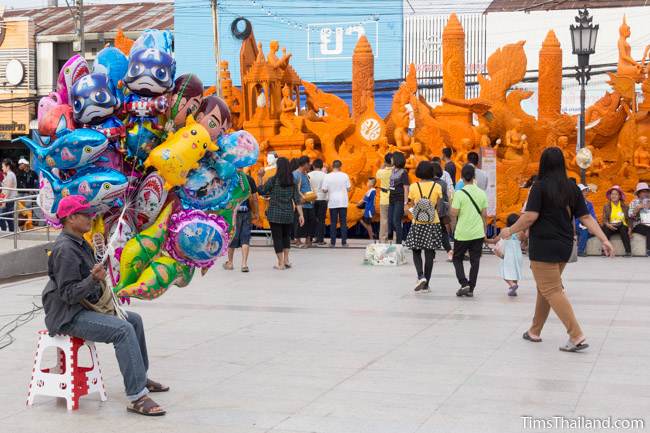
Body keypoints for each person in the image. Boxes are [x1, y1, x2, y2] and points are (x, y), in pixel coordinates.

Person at [42, 195, 168, 416]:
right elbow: (69, 294)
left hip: (83, 308)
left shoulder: (80, 243)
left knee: (133, 321)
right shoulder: (65, 250)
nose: (92, 217)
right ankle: (137, 396)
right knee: (123, 329)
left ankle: (140, 376)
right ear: (71, 218)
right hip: (69, 316)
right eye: (86, 214)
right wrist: (93, 279)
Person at [500, 147, 614, 352]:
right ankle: (534, 330)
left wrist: (510, 230)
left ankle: (576, 335)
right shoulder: (572, 188)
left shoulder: (539, 186)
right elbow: (586, 217)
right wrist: (604, 239)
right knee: (546, 289)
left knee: (552, 289)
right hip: (564, 246)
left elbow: (530, 216)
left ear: (543, 164)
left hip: (544, 246)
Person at [257, 157, 304, 269]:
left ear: (278, 167)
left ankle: (281, 263)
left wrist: (259, 177)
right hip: (288, 214)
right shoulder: (292, 181)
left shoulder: (273, 180)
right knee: (286, 237)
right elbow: (297, 199)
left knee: (277, 238)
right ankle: (287, 260)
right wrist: (301, 215)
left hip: (275, 213)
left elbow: (262, 191)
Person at [404, 161, 444, 292]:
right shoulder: (437, 186)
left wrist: (412, 214)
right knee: (429, 253)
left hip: (417, 223)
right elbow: (439, 205)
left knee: (416, 250)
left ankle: (421, 276)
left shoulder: (414, 187)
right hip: (433, 223)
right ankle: (426, 284)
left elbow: (409, 205)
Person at [450, 164, 488, 297]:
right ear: (474, 176)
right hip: (477, 232)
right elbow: (484, 215)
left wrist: (453, 229)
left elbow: (454, 214)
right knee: (475, 260)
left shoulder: (459, 194)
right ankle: (471, 288)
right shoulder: (482, 193)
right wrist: (484, 231)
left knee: (457, 258)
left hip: (462, 233)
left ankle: (463, 283)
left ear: (461, 177)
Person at [223, 170, 259, 272]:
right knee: (245, 237)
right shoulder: (249, 179)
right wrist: (256, 212)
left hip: (233, 212)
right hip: (246, 212)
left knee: (232, 236)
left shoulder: (229, 178)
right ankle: (244, 264)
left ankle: (230, 263)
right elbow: (255, 198)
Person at [487, 213, 524, 297]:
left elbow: (494, 241)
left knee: (504, 271)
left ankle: (512, 285)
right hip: (518, 255)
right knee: (516, 271)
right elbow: (524, 242)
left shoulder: (504, 231)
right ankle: (513, 290)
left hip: (508, 255)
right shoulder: (520, 232)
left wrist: (485, 240)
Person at [321, 160, 351, 247]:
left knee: (333, 222)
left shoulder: (327, 176)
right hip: (343, 201)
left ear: (332, 166)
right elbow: (349, 188)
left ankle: (332, 242)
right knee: (343, 222)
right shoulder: (345, 175)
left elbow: (324, 189)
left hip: (332, 201)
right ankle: (344, 242)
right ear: (340, 166)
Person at [432, 159, 454, 261]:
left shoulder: (428, 183)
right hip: (441, 211)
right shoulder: (443, 184)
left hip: (430, 211)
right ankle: (449, 251)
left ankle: (432, 254)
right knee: (443, 231)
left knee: (430, 232)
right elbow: (446, 198)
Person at [602, 185, 632, 257]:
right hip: (611, 225)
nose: (613, 196)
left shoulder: (625, 206)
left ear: (619, 196)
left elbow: (629, 219)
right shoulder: (606, 206)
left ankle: (628, 252)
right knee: (605, 228)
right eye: (612, 194)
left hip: (621, 225)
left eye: (616, 194)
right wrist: (608, 224)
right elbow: (604, 219)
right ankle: (604, 250)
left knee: (623, 228)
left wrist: (630, 228)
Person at [293, 156, 315, 248]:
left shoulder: (306, 174)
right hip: (301, 203)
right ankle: (298, 240)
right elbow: (294, 189)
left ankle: (308, 240)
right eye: (308, 163)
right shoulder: (296, 174)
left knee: (311, 221)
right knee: (300, 222)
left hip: (309, 202)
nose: (310, 165)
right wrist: (300, 198)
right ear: (304, 164)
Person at [387, 152, 409, 244]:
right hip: (391, 199)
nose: (391, 160)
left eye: (392, 158)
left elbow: (406, 187)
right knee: (390, 221)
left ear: (397, 160)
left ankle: (399, 243)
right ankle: (392, 239)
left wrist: (405, 202)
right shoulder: (393, 170)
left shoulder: (403, 172)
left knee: (396, 221)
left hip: (399, 200)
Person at [309, 159, 328, 246]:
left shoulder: (309, 174)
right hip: (322, 199)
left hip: (312, 199)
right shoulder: (325, 175)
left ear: (313, 166)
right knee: (321, 220)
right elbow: (326, 188)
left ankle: (310, 238)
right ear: (321, 166)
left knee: (312, 220)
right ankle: (320, 239)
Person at [628, 182, 650, 256]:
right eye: (643, 191)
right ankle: (648, 250)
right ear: (638, 193)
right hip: (638, 224)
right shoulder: (634, 202)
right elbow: (630, 216)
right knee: (648, 229)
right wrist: (637, 209)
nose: (646, 193)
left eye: (647, 191)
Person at [375, 153, 393, 242]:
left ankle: (383, 240)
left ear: (385, 162)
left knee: (384, 220)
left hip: (384, 199)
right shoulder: (398, 172)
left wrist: (383, 166)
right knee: (396, 220)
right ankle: (397, 240)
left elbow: (377, 175)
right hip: (395, 198)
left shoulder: (381, 172)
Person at [576, 184, 597, 257]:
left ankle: (581, 239)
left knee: (597, 229)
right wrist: (586, 226)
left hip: (588, 224)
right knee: (584, 230)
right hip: (576, 224)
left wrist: (592, 226)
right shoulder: (574, 204)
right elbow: (575, 218)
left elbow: (593, 216)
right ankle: (580, 251)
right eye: (583, 191)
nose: (585, 193)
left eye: (585, 191)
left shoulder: (589, 204)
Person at [0, 158, 18, 232]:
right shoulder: (9, 175)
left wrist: (4, 201)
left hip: (9, 199)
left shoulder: (10, 175)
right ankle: (12, 232)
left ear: (8, 167)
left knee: (2, 217)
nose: (2, 168)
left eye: (3, 166)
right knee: (9, 217)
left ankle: (5, 232)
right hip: (9, 199)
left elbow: (8, 189)